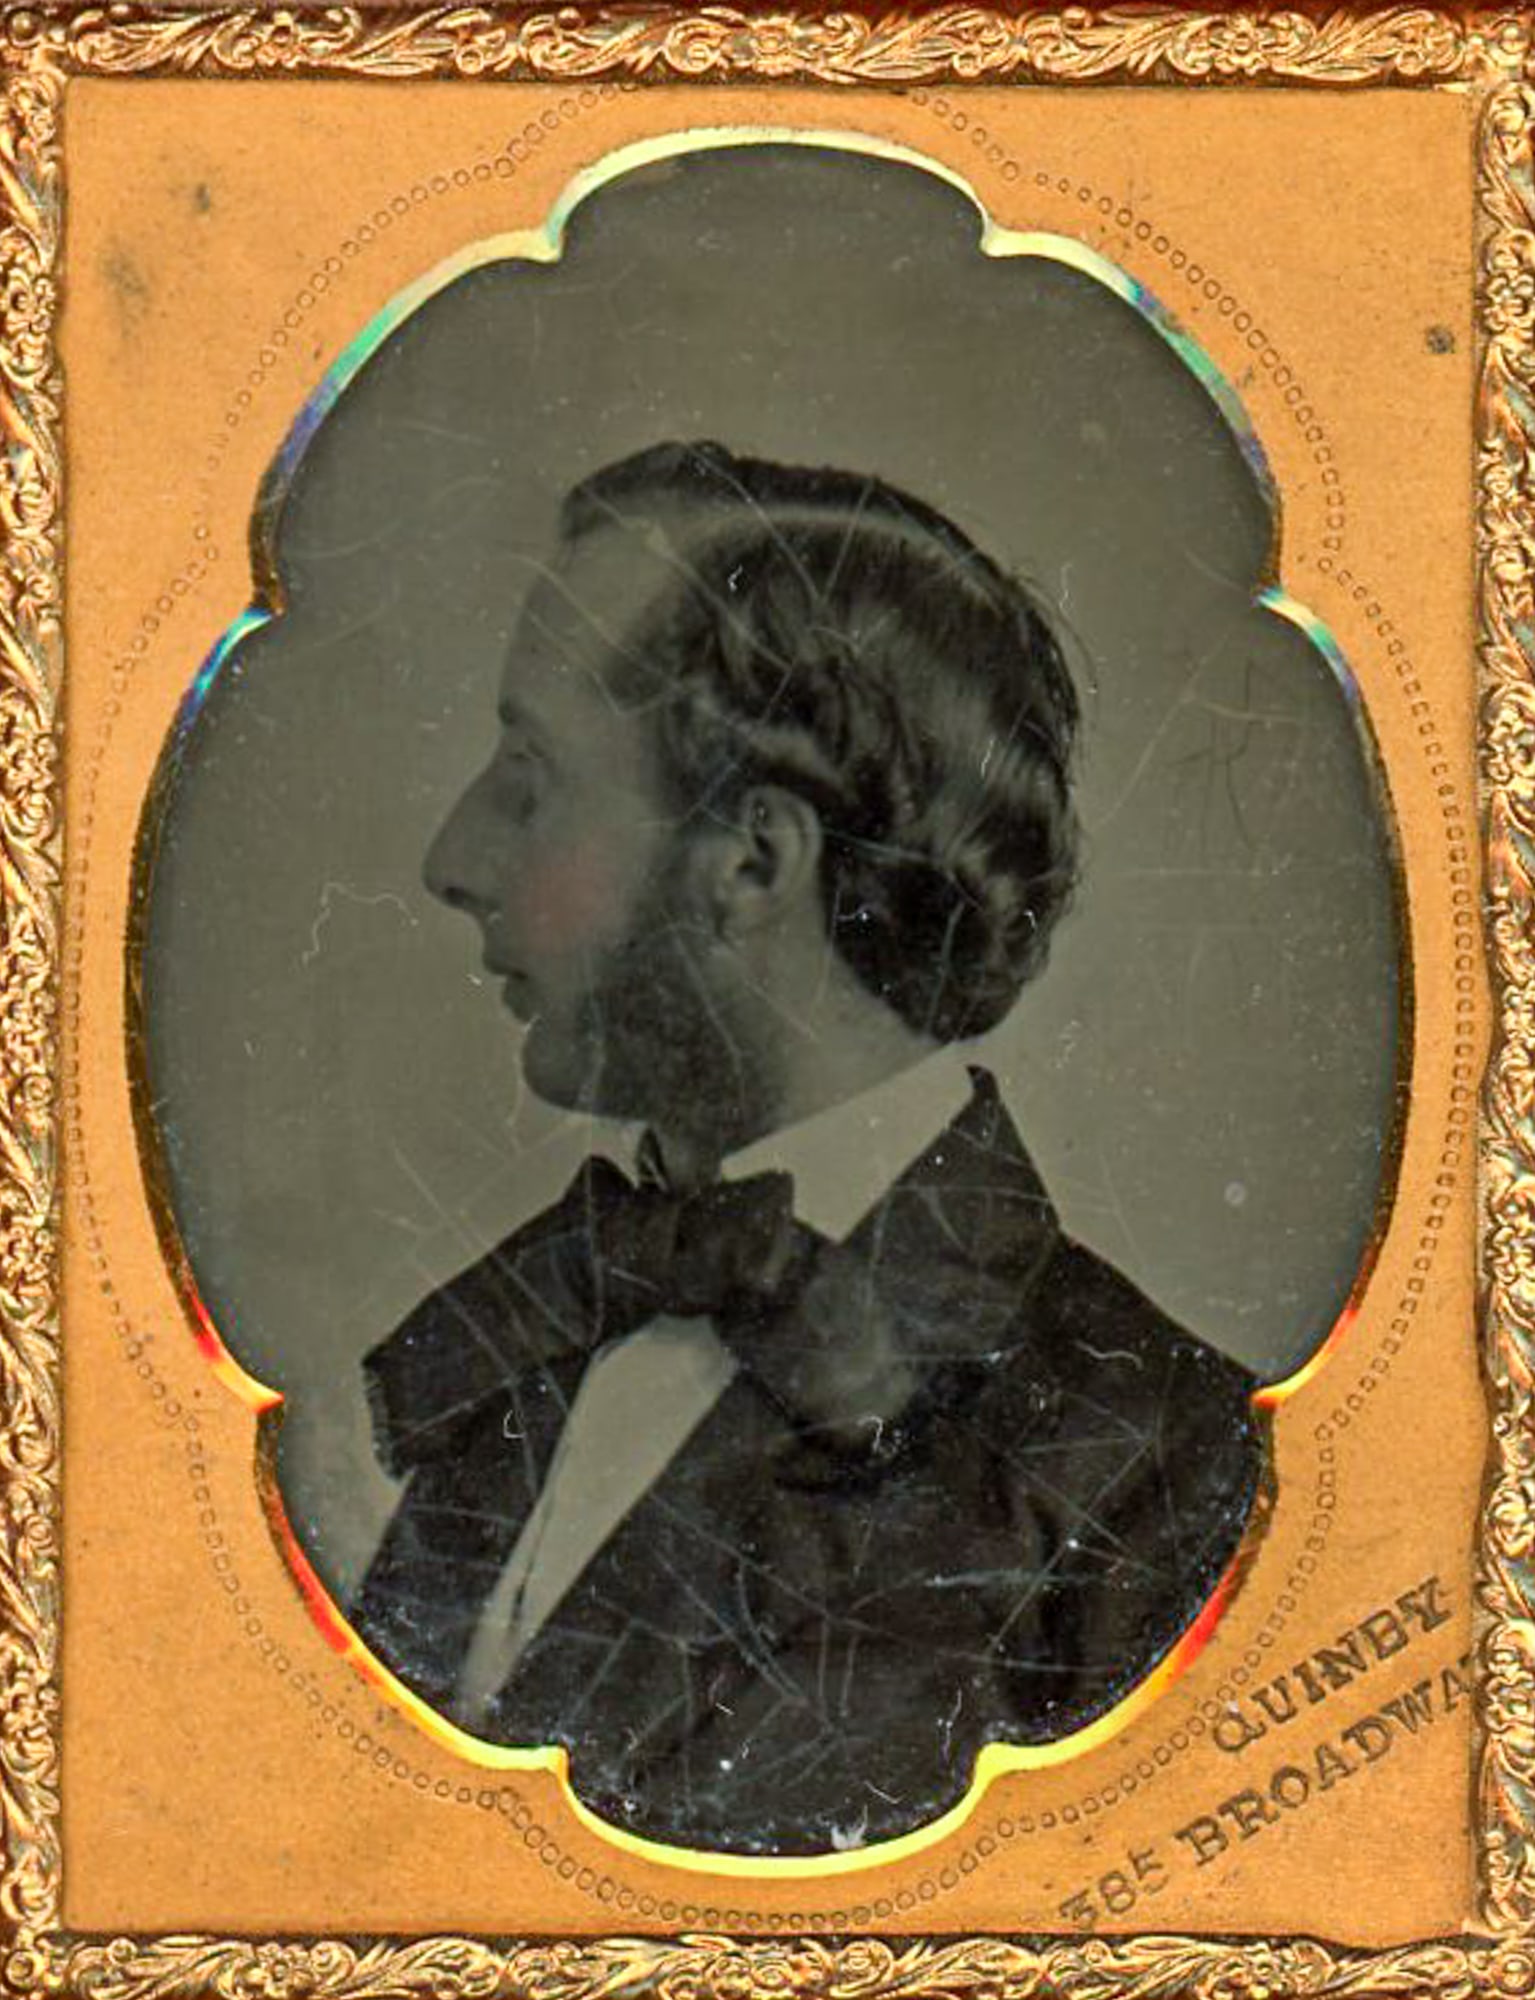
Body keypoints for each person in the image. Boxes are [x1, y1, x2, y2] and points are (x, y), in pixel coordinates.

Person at [350, 439, 1265, 1855]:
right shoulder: (564, 1304)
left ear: (756, 865)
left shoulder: (1156, 1464)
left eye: (532, 777)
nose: (455, 856)